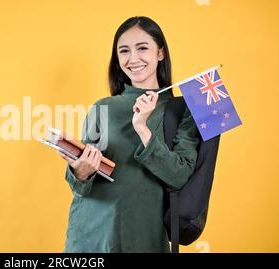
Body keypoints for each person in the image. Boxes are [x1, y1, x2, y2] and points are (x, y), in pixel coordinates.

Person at [58, 16, 201, 253]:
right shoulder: (103, 107)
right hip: (89, 237)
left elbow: (179, 176)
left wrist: (143, 129)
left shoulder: (184, 109)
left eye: (142, 48)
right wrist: (80, 172)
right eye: (124, 51)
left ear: (160, 53)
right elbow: (81, 187)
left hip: (145, 236)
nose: (133, 58)